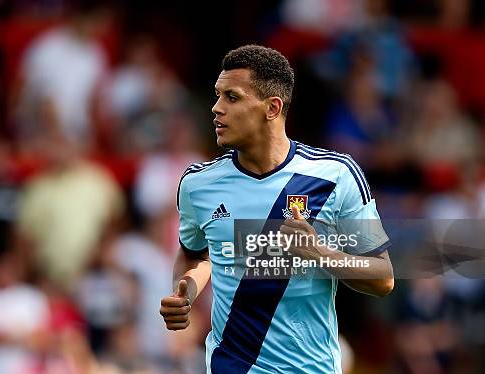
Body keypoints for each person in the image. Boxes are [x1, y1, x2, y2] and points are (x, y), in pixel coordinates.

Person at [159, 45, 394, 374]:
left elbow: (382, 277)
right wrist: (186, 292)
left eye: (232, 97)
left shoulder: (336, 175)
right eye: (217, 95)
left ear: (272, 108)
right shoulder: (198, 184)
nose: (216, 108)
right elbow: (196, 256)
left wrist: (318, 253)